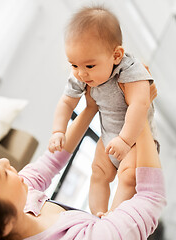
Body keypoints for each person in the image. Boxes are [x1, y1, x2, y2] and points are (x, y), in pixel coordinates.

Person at [0, 84, 165, 240]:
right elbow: (151, 197)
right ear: (2, 224)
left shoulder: (21, 202)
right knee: (129, 178)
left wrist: (90, 108)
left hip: (101, 225)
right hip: (109, 230)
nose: (3, 161)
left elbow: (53, 159)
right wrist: (138, 113)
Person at [48, 6, 158, 216]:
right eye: (73, 65)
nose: (80, 73)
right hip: (108, 135)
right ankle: (98, 214)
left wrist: (125, 140)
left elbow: (139, 105)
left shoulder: (131, 70)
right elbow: (66, 103)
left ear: (116, 55)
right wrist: (58, 131)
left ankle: (114, 218)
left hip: (136, 139)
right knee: (98, 173)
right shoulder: (81, 75)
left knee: (128, 177)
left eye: (89, 66)